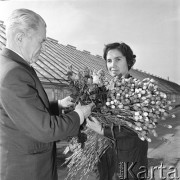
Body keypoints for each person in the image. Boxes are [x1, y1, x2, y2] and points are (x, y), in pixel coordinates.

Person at [0, 9, 94, 180]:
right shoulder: (13, 73)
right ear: (20, 38)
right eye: (40, 41)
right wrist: (80, 114)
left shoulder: (10, 66)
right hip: (27, 171)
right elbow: (46, 129)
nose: (42, 48)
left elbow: (22, 111)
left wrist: (58, 104)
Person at [87, 42, 148, 180]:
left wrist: (102, 130)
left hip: (130, 159)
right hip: (108, 155)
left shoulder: (139, 90)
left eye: (118, 59)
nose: (112, 65)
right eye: (109, 60)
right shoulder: (108, 89)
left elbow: (137, 127)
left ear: (129, 61)